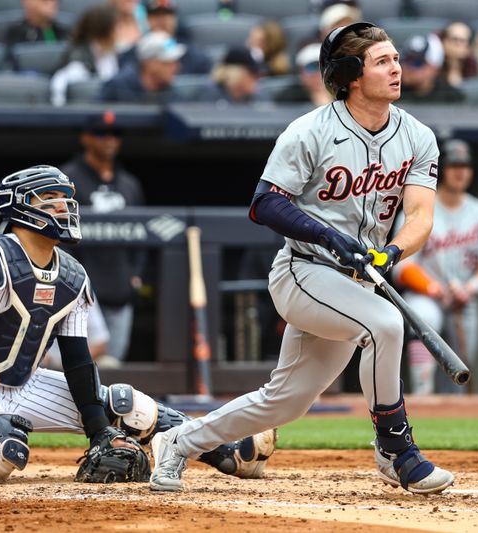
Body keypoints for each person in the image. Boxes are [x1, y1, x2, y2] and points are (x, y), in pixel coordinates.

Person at [149, 22, 454, 495]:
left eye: (395, 59)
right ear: (352, 75)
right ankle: (397, 450)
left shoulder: (417, 136)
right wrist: (330, 237)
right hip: (303, 271)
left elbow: (419, 215)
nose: (396, 68)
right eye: (383, 61)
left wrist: (390, 251)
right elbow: (265, 202)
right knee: (386, 325)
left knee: (284, 403)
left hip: (358, 282)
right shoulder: (310, 130)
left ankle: (177, 441)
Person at [0, 164, 275, 484]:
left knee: (129, 408)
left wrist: (100, 431)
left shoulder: (72, 276)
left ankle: (223, 449)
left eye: (66, 200)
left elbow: (78, 360)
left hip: (22, 385)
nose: (64, 208)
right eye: (52, 200)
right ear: (22, 208)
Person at [395, 139, 478, 395]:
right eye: (454, 165)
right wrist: (433, 288)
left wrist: (471, 288)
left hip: (463, 299)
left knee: (460, 370)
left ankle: (452, 412)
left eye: (465, 166)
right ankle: (423, 395)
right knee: (425, 317)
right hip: (427, 295)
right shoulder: (419, 211)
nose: (460, 171)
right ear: (442, 169)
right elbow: (403, 266)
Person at [59, 110, 145, 363]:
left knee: (112, 369)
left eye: (115, 134)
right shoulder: (68, 179)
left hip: (120, 291)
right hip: (81, 293)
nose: (109, 140)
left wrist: (136, 274)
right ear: (86, 138)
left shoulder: (129, 184)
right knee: (78, 367)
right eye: (101, 134)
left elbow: (144, 234)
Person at [50, 5, 118, 106]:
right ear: (103, 31)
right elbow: (60, 82)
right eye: (114, 29)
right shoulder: (79, 58)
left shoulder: (109, 54)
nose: (117, 33)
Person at [100, 30, 185, 103]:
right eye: (168, 63)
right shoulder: (117, 88)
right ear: (150, 64)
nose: (177, 67)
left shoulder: (172, 94)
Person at [4, 0, 70, 51]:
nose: (52, 3)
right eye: (44, 0)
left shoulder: (63, 32)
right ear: (27, 2)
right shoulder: (15, 33)